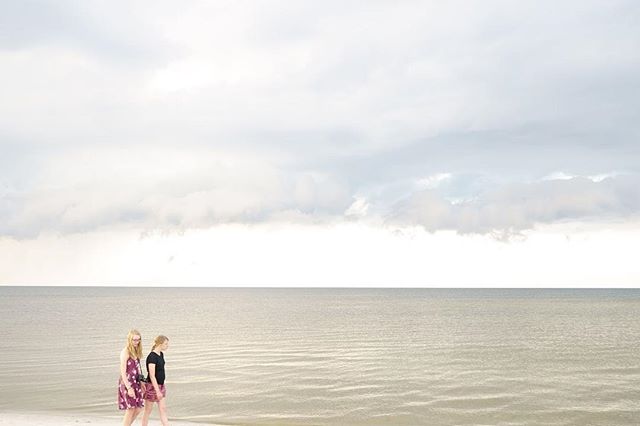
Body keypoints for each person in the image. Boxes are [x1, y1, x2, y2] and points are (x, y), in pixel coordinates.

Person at [118, 329, 145, 425]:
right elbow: (123, 371)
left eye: (138, 340)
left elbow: (138, 368)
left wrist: (142, 382)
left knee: (138, 409)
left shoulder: (136, 350)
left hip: (136, 383)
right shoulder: (125, 352)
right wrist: (129, 388)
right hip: (128, 383)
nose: (136, 342)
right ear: (129, 340)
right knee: (131, 409)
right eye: (134, 340)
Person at [142, 335, 170, 426]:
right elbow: (152, 375)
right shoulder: (152, 357)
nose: (167, 346)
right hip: (152, 387)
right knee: (148, 411)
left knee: (163, 409)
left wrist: (160, 388)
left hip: (161, 385)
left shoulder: (161, 354)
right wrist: (157, 391)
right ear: (160, 344)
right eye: (166, 344)